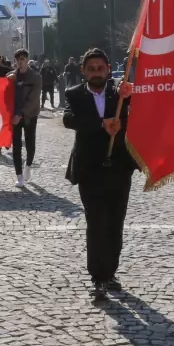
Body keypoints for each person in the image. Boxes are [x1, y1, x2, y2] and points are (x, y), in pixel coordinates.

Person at [63, 48, 137, 302]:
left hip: (119, 167)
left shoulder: (122, 92)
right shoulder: (73, 94)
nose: (96, 73)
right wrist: (100, 124)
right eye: (91, 69)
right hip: (89, 169)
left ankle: (111, 271)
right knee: (96, 223)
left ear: (108, 69)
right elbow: (69, 119)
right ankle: (98, 277)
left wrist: (132, 98)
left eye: (100, 68)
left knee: (115, 224)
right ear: (83, 71)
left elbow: (140, 116)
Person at [8, 49, 42, 187]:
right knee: (16, 146)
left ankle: (28, 165)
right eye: (18, 59)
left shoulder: (35, 77)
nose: (20, 62)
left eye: (23, 59)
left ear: (27, 60)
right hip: (14, 115)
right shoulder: (12, 76)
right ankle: (19, 175)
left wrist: (20, 114)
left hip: (29, 115)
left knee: (30, 143)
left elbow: (33, 99)